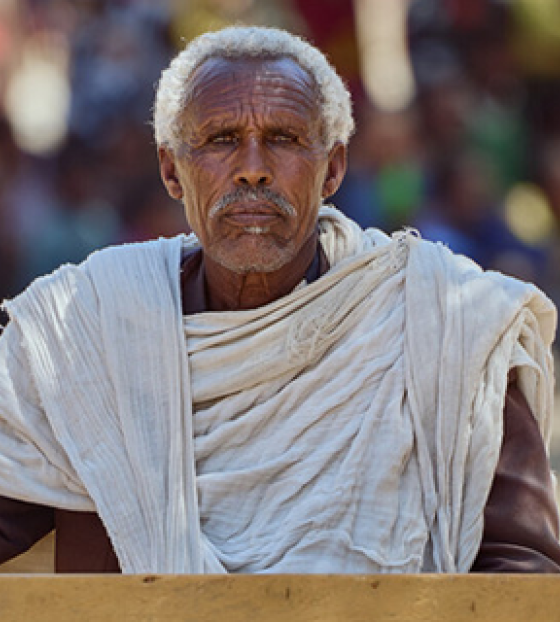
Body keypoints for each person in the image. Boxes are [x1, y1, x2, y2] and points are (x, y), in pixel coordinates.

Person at [0, 25, 559, 574]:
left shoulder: (445, 321)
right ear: (172, 170)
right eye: (221, 140)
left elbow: (524, 573)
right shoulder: (83, 329)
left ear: (333, 168)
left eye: (285, 139)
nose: (252, 169)